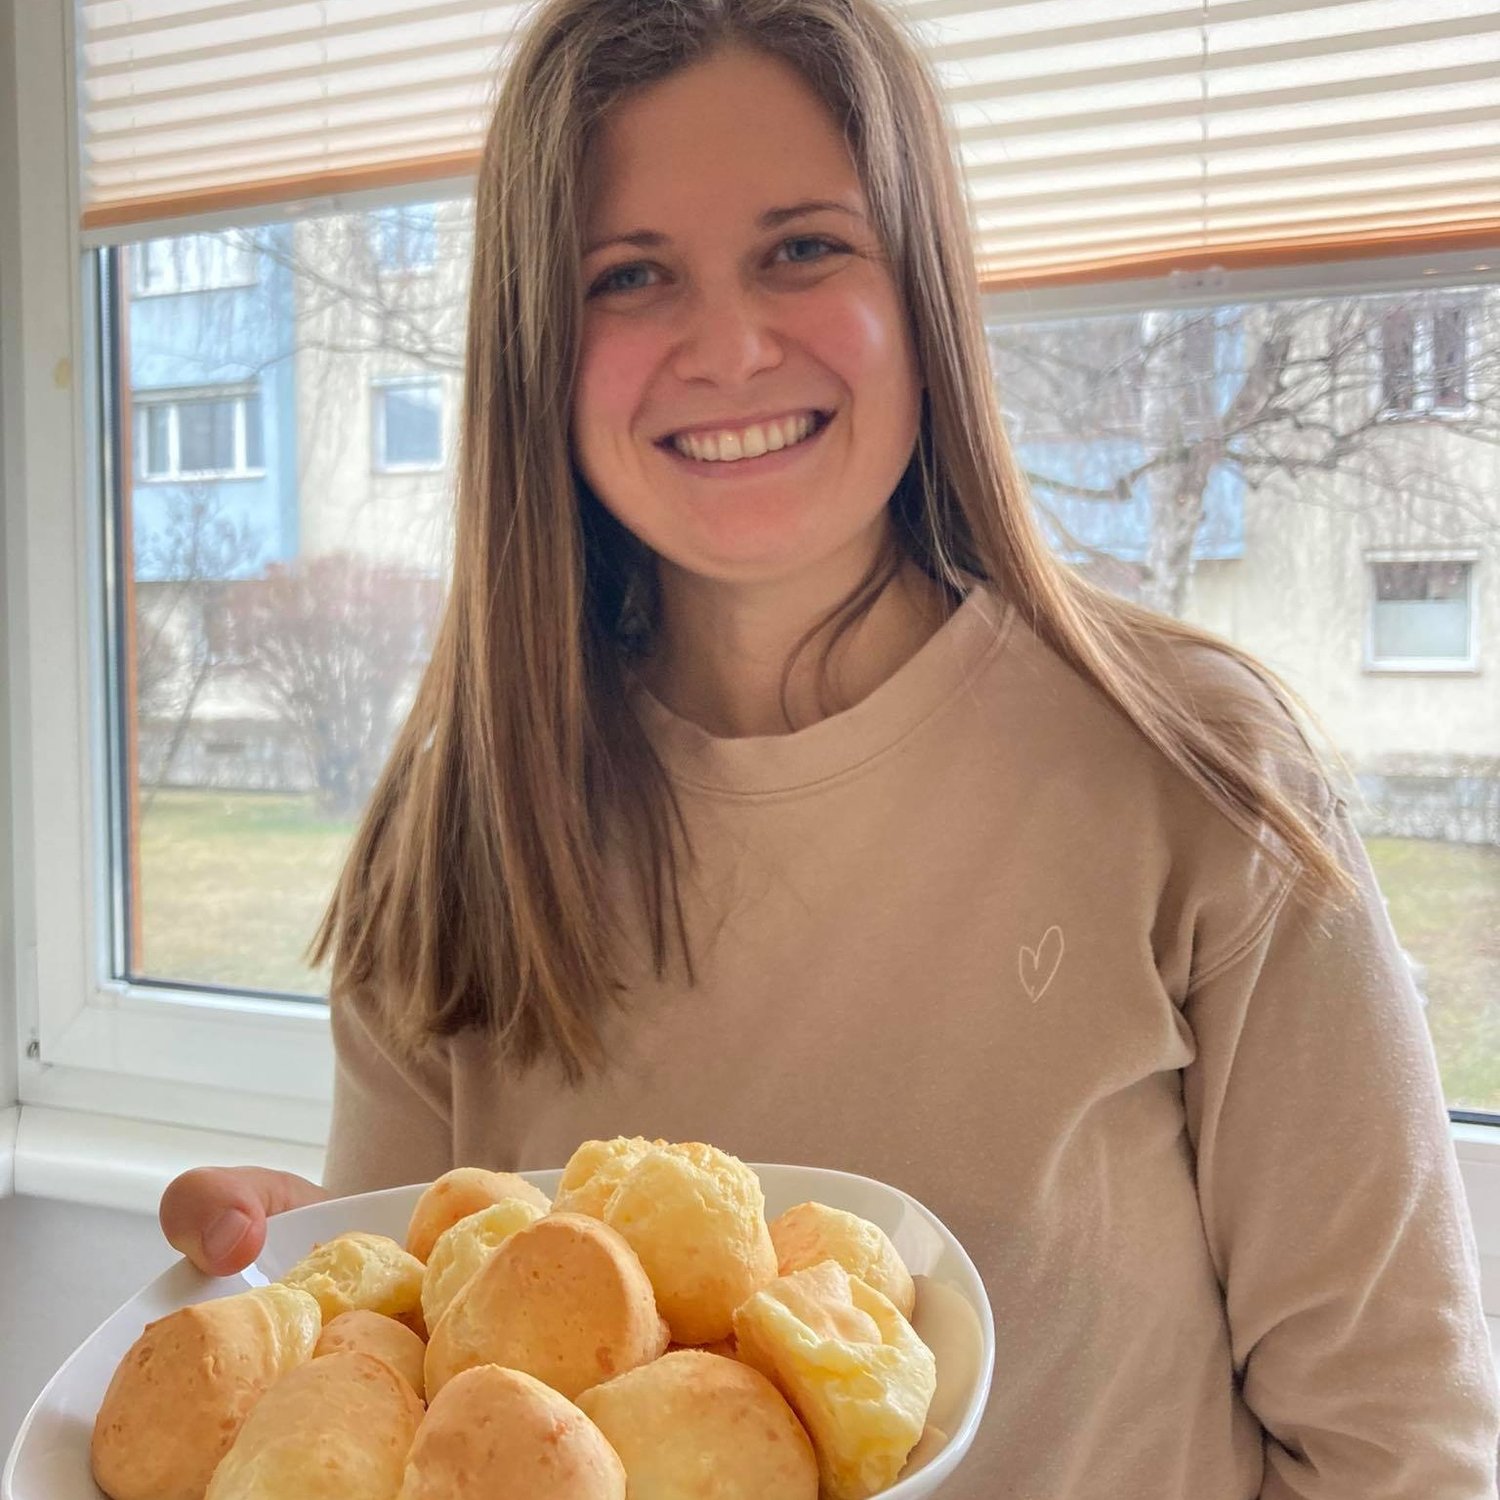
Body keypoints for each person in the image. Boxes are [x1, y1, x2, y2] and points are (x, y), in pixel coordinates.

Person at [158, 1, 1500, 1494]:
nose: (727, 343)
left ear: (922, 292)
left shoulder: (1191, 771)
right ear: (540, 344)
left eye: (802, 246)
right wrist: (294, 1302)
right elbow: (426, 1391)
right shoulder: (462, 827)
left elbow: (1403, 1449)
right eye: (630, 274)